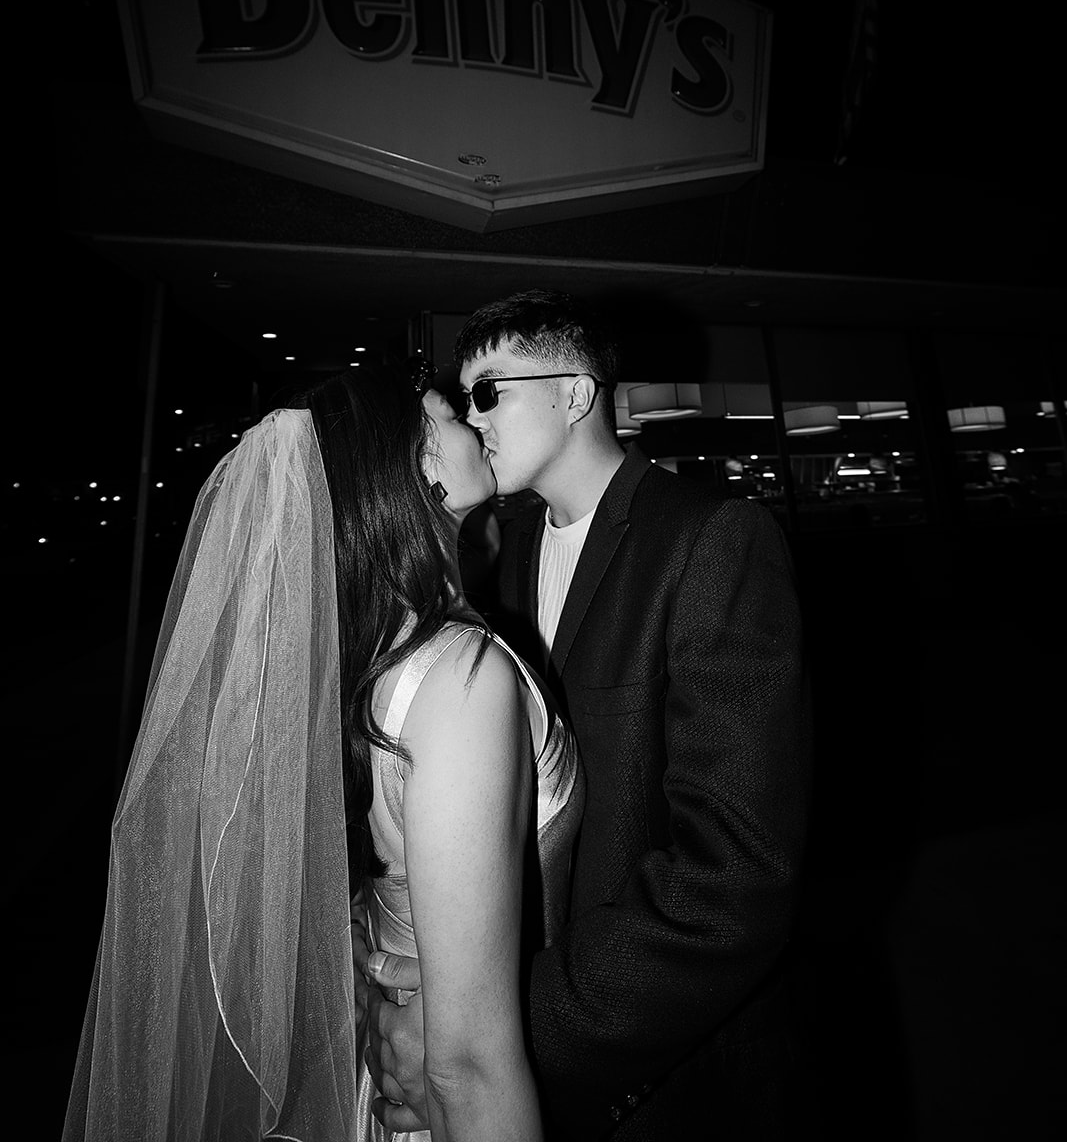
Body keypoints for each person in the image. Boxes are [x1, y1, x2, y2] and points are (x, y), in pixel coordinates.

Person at [63, 361, 582, 1142]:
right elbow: (468, 1066)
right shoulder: (457, 678)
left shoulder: (351, 665)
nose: (472, 421)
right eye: (444, 413)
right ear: (413, 466)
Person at [363, 291, 811, 1140]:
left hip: (666, 1071)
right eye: (463, 400)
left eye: (490, 391)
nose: (472, 419)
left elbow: (737, 871)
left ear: (575, 394)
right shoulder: (506, 555)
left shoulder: (713, 537)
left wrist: (498, 1027)